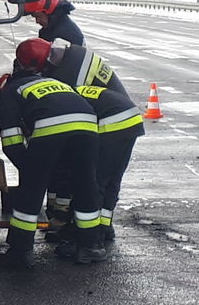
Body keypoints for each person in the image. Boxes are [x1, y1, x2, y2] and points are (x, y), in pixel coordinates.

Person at [0, 64, 105, 267]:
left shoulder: (10, 92)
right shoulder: (55, 83)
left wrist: (30, 170)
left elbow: (11, 141)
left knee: (31, 190)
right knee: (85, 185)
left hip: (51, 130)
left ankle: (21, 253)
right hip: (88, 128)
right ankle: (90, 247)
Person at [61, 84, 145, 248]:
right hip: (132, 119)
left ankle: (90, 239)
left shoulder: (61, 103)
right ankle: (104, 228)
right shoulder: (68, 91)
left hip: (113, 122)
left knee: (95, 180)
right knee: (113, 178)